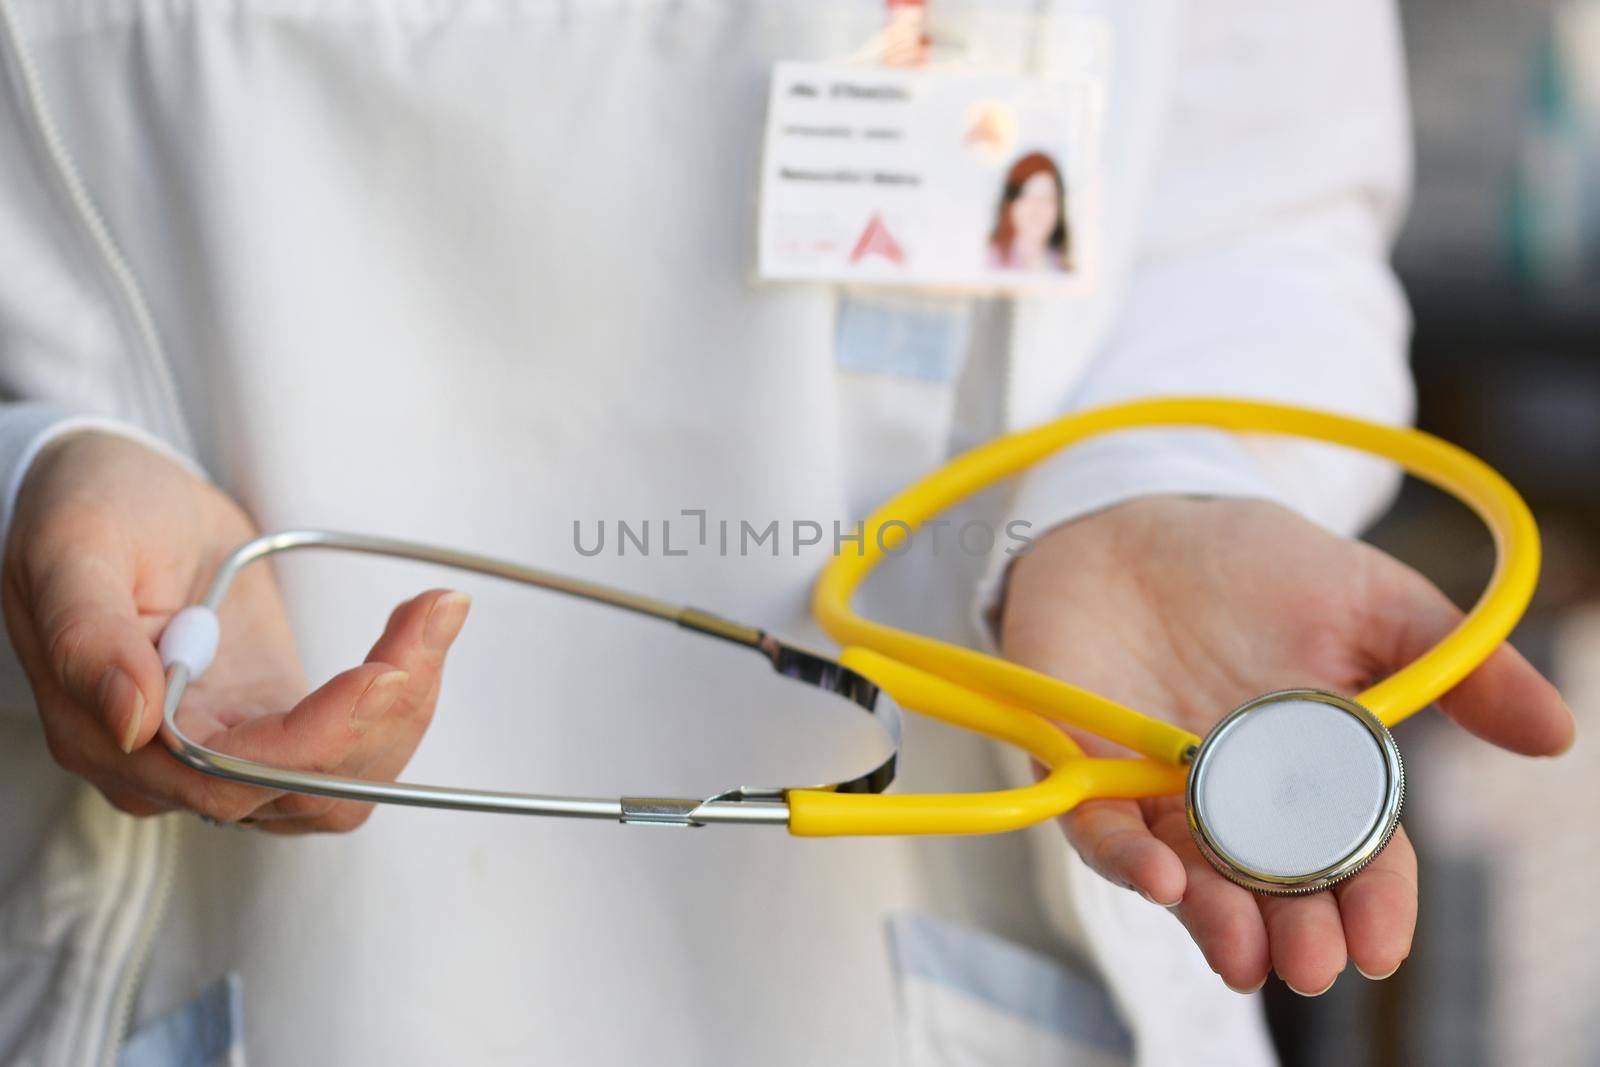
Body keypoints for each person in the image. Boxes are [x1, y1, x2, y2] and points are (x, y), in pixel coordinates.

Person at [0, 1, 1573, 1064]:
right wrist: (40, 484)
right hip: (239, 957)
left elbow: (1256, 220)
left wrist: (1146, 484)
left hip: (974, 944)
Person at [988, 151, 1072, 272]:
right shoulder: (992, 260)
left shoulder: (1063, 263)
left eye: (1045, 199)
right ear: (1011, 204)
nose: (1036, 208)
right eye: (1027, 197)